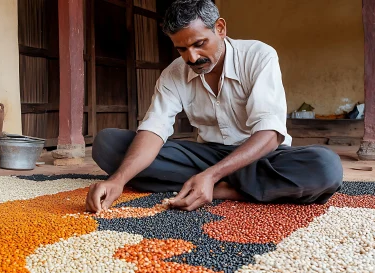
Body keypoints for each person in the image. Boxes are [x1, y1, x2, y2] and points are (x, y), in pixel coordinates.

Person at [85, 0, 343, 213]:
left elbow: (270, 133)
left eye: (199, 44)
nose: (192, 57)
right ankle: (241, 185)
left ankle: (223, 189)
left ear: (220, 28)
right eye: (181, 49)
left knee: (325, 166)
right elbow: (155, 127)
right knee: (108, 144)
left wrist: (210, 176)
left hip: (260, 156)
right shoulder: (173, 74)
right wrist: (117, 180)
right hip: (205, 155)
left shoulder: (258, 56)